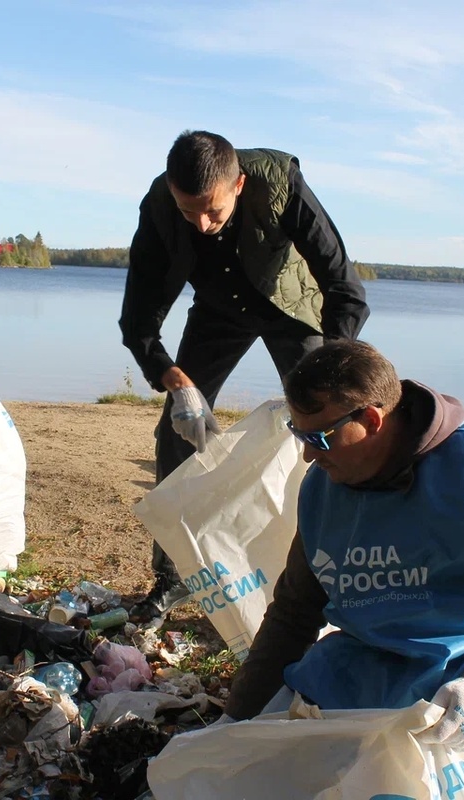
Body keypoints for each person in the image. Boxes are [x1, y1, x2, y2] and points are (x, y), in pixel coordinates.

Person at [222, 340, 464, 800]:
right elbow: (295, 610)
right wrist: (234, 719)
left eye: (318, 438)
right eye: (298, 436)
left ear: (371, 421)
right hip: (364, 662)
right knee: (261, 766)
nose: (307, 457)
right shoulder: (323, 485)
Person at [120, 130, 370, 621]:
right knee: (174, 434)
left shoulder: (280, 183)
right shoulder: (159, 206)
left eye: (212, 209)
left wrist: (328, 375)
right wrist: (177, 384)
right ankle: (172, 579)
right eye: (189, 211)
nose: (203, 223)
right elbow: (138, 320)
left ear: (238, 185)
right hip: (218, 312)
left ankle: (338, 572)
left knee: (329, 431)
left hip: (290, 308)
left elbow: (346, 290)